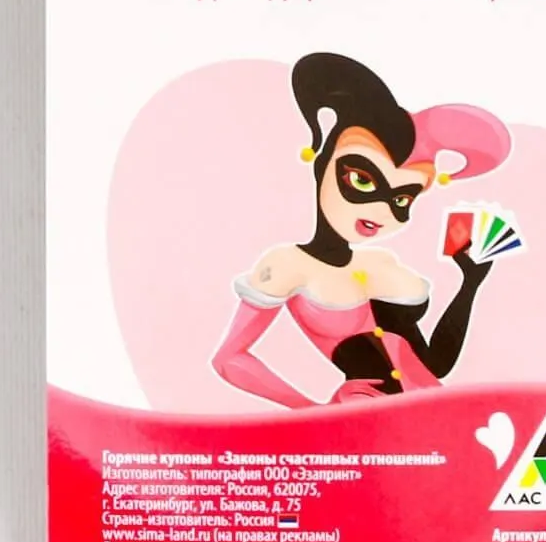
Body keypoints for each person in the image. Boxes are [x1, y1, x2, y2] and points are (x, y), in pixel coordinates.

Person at [211, 51, 512, 407]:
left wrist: (470, 284)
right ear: (322, 164)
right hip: (360, 415)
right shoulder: (287, 264)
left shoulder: (380, 266)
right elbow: (229, 359)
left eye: (401, 199)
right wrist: (311, 410)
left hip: (431, 409)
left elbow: (435, 365)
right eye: (362, 180)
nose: (381, 211)